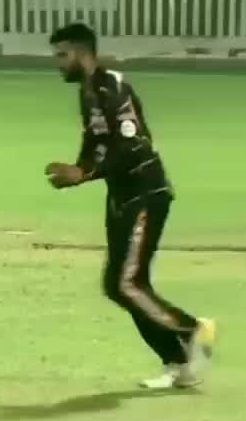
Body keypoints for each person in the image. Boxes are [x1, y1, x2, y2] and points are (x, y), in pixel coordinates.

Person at [44, 23, 217, 389]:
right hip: (122, 196)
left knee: (127, 284)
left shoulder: (114, 88)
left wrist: (84, 173)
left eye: (62, 55)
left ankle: (192, 330)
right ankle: (179, 364)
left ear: (82, 53)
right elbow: (97, 144)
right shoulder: (89, 92)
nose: (57, 63)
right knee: (119, 285)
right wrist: (77, 171)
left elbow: (133, 145)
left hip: (146, 193)